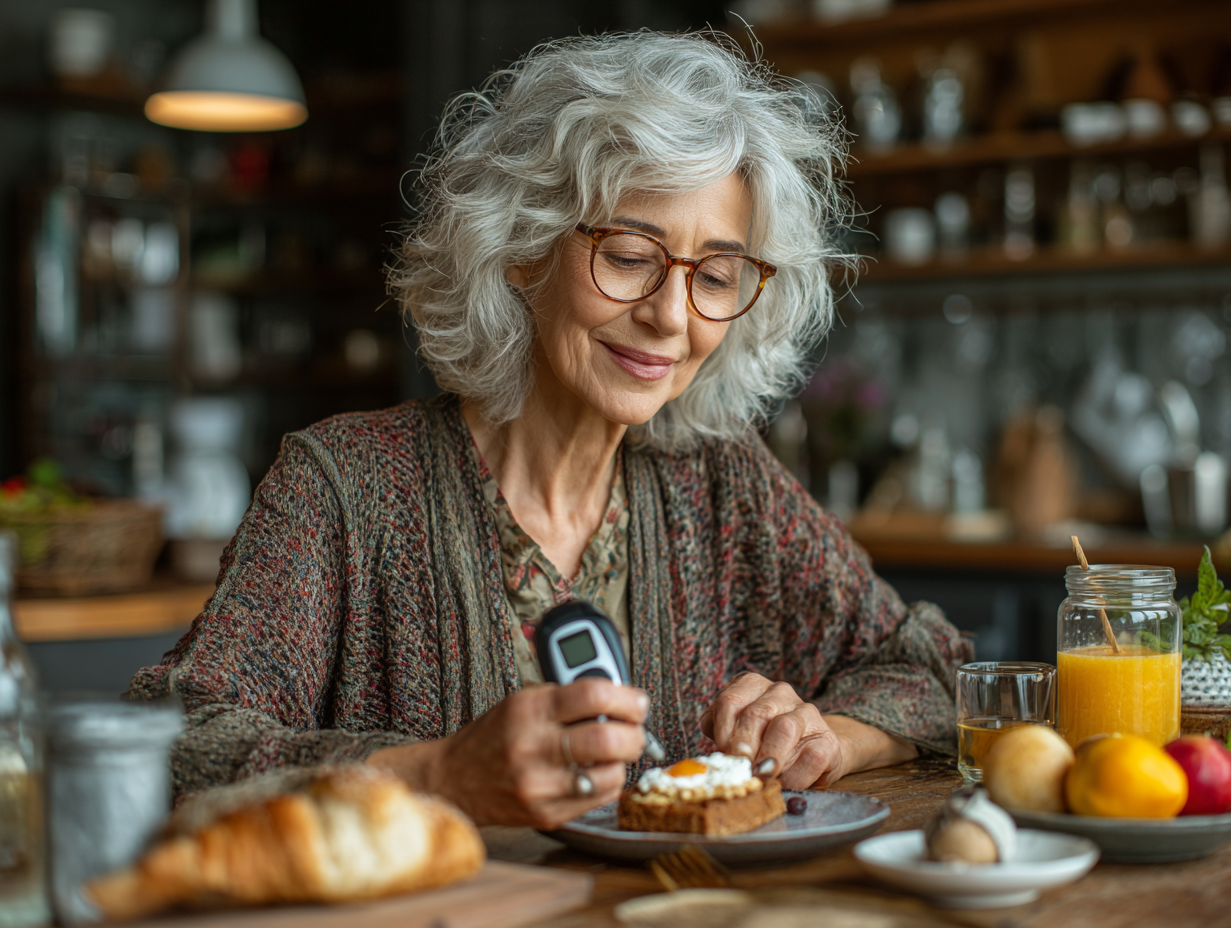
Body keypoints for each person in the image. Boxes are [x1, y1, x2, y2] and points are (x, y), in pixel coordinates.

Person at [131, 31, 971, 829]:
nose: (672, 317)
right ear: (522, 248)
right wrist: (437, 774)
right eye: (631, 256)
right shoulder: (346, 484)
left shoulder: (716, 476)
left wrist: (824, 737)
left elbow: (932, 667)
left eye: (716, 275)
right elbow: (165, 745)